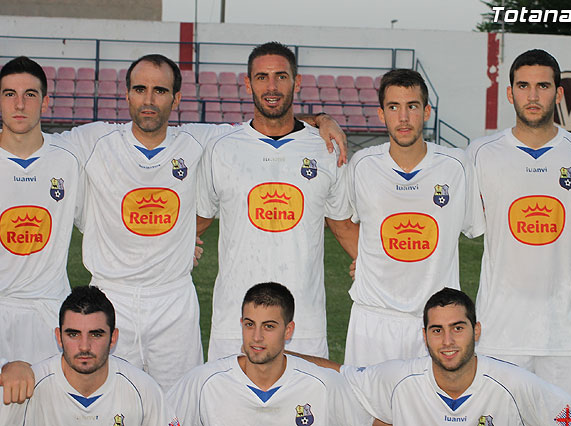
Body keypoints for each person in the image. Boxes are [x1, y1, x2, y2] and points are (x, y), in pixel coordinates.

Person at [54, 53, 346, 390]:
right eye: (140, 89)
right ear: (126, 94)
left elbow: (269, 120)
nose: (149, 100)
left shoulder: (202, 141)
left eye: (160, 91)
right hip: (110, 294)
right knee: (108, 399)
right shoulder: (91, 141)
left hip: (173, 299)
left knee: (178, 403)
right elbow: (34, 142)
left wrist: (321, 119)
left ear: (176, 98)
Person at [466, 49, 571, 406]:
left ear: (558, 93)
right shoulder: (480, 154)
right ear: (510, 93)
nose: (533, 96)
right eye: (523, 86)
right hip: (498, 332)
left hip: (564, 334)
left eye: (543, 86)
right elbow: (443, 222)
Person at [196, 41, 353, 360]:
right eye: (262, 77)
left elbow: (342, 226)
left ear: (297, 82)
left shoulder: (325, 149)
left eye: (281, 76)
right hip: (235, 322)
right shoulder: (220, 148)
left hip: (303, 323)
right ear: (247, 82)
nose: (271, 86)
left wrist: (382, 268)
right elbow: (197, 220)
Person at [342, 69, 483, 366]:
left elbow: (474, 227)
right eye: (393, 107)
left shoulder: (456, 166)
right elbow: (344, 219)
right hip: (372, 317)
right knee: (367, 411)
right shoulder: (362, 165)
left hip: (434, 320)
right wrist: (363, 258)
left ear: (427, 112)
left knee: (429, 412)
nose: (403, 117)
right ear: (381, 114)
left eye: (412, 106)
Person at [298, 288, 571, 426]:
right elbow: (336, 373)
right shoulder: (401, 380)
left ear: (476, 331)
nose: (448, 341)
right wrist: (271, 355)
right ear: (424, 336)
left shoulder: (514, 384)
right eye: (437, 330)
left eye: (458, 328)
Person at [168, 282, 372, 426]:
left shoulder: (324, 385)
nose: (256, 337)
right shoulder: (202, 382)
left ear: (288, 330)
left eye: (269, 326)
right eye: (249, 324)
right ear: (241, 324)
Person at [0, 56, 83, 364]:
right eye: (10, 94)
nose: (19, 104)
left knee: (50, 410)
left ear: (45, 102)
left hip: (49, 310)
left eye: (30, 95)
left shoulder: (68, 159)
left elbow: (103, 219)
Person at [0, 285, 179, 425]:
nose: (84, 346)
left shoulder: (142, 388)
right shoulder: (28, 387)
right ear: (58, 337)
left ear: (113, 337)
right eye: (73, 334)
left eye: (96, 334)